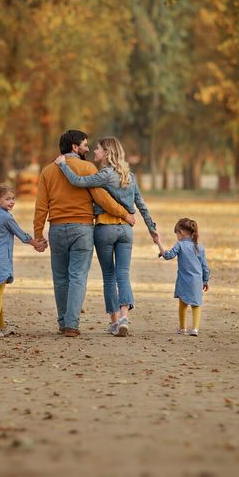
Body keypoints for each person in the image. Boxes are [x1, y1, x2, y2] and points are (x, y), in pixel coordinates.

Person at [33, 129, 136, 337]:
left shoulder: (47, 171)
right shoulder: (87, 168)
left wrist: (38, 235)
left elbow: (41, 206)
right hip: (82, 229)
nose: (88, 149)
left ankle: (63, 323)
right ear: (74, 147)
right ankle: (72, 324)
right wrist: (124, 214)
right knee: (78, 276)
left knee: (60, 278)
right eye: (85, 145)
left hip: (57, 229)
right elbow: (101, 198)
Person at [55, 136, 158, 337]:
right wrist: (152, 228)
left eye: (98, 149)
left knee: (109, 276)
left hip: (105, 228)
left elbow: (78, 182)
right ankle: (124, 317)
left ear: (107, 153)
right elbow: (142, 206)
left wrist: (63, 165)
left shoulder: (105, 174)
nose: (94, 151)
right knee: (124, 273)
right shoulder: (130, 176)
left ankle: (113, 321)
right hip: (126, 231)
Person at [0, 184, 46, 338]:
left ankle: (2, 326)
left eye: (13, 199)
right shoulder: (5, 217)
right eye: (7, 199)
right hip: (0, 258)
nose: (11, 202)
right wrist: (36, 243)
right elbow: (21, 234)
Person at [156, 217, 210, 337]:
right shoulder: (199, 248)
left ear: (180, 232)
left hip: (184, 280)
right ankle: (195, 329)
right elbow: (205, 267)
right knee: (196, 305)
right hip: (197, 281)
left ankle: (182, 328)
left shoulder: (180, 245)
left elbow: (168, 255)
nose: (177, 237)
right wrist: (205, 280)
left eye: (177, 234)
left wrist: (159, 243)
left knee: (183, 304)